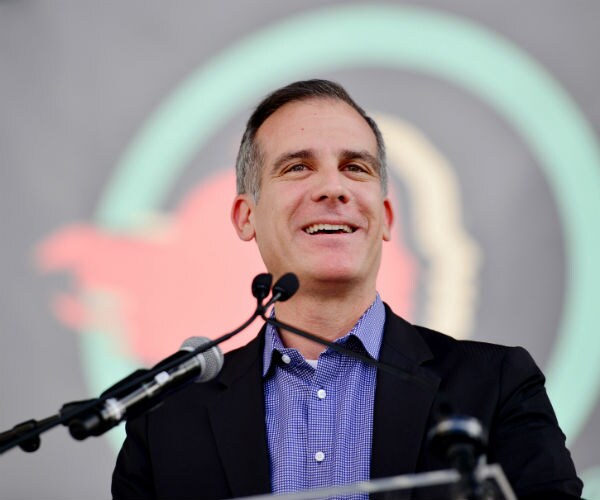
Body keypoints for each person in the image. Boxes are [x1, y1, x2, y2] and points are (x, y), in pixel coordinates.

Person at [112, 80, 583, 499]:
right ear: (245, 216)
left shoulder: (497, 386)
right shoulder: (166, 418)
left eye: (355, 168)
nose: (333, 188)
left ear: (385, 218)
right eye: (297, 167)